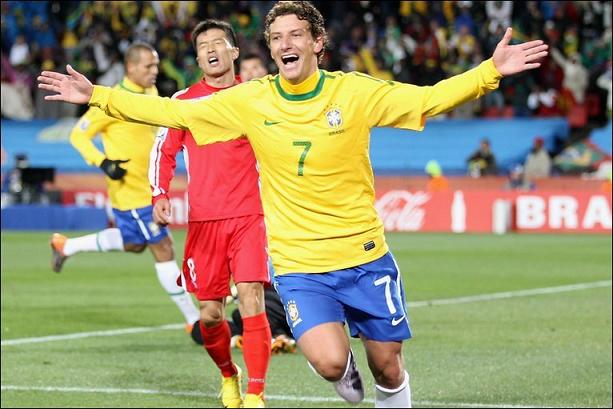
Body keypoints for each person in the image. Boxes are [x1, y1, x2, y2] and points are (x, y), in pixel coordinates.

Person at [38, 1, 548, 407]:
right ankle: (333, 369)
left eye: (296, 35)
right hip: (300, 264)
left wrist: (490, 71)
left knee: (389, 366)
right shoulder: (251, 100)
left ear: (317, 43)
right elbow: (173, 114)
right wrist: (98, 95)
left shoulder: (354, 93)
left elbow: (427, 99)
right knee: (330, 364)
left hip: (364, 254)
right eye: (277, 37)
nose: (285, 44)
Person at [148, 20, 271, 408]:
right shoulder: (184, 101)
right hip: (204, 221)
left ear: (234, 52)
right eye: (204, 46)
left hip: (249, 215)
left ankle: (256, 393)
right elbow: (163, 150)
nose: (211, 50)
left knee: (251, 297)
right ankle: (229, 374)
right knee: (211, 315)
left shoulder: (256, 96)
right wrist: (159, 193)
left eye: (219, 43)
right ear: (198, 58)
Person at [48, 42, 200, 338]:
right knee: (164, 248)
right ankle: (194, 321)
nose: (155, 71)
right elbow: (78, 135)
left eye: (156, 65)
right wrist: (103, 162)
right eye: (148, 66)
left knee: (134, 244)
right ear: (130, 67)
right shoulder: (111, 100)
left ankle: (66, 246)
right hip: (132, 194)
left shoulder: (150, 92)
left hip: (150, 188)